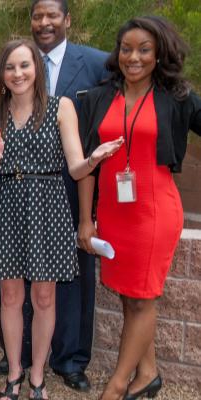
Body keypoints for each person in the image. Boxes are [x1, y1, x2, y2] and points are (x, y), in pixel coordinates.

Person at [0, 39, 122, 400]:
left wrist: (94, 159)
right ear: (2, 73)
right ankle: (14, 374)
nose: (17, 73)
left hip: (49, 207)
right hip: (8, 205)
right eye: (10, 67)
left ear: (36, 69)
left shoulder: (61, 107)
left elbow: (75, 167)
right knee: (10, 296)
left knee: (44, 297)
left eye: (24, 65)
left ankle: (37, 377)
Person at [77, 16, 201, 400]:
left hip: (154, 211)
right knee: (129, 295)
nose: (134, 57)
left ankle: (116, 388)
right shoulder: (100, 96)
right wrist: (86, 220)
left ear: (159, 53)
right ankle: (147, 373)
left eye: (144, 49)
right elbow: (87, 165)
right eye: (126, 48)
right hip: (113, 213)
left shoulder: (176, 97)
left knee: (143, 296)